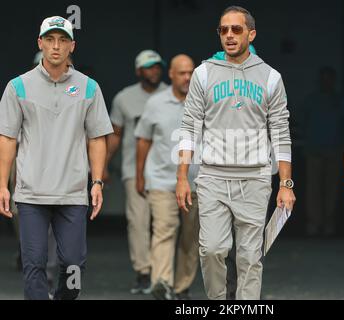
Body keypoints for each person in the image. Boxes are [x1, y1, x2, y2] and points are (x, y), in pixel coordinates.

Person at [176, 6, 295, 300]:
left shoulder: (270, 77)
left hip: (255, 178)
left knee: (250, 257)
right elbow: (189, 126)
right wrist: (182, 177)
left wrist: (286, 184)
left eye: (236, 30)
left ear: (251, 34)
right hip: (213, 176)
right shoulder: (203, 73)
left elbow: (280, 131)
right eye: (223, 30)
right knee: (212, 249)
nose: (229, 35)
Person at [0, 16, 113, 300]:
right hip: (31, 193)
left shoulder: (89, 87)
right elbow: (7, 139)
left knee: (75, 265)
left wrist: (97, 181)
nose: (55, 46)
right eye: (49, 40)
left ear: (72, 46)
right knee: (34, 264)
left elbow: (97, 137)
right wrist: (3, 184)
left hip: (73, 193)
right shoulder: (18, 87)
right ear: (40, 43)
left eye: (63, 40)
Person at [135, 54, 199, 300]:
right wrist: (140, 175)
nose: (187, 77)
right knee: (164, 230)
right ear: (170, 74)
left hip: (196, 182)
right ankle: (161, 283)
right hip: (162, 180)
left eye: (191, 72)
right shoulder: (155, 103)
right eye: (182, 73)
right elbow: (143, 140)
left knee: (190, 237)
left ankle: (181, 286)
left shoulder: (204, 102)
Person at [107, 50, 168, 294]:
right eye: (149, 67)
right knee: (138, 222)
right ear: (138, 70)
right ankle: (143, 272)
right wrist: (102, 166)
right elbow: (115, 134)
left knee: (165, 224)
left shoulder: (171, 94)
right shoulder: (125, 98)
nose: (155, 70)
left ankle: (162, 274)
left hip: (166, 170)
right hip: (134, 169)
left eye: (157, 67)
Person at [301, 67, 344, 236]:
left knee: (331, 189)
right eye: (324, 78)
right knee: (313, 188)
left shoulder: (339, 101)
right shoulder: (311, 100)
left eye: (329, 79)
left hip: (334, 149)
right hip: (314, 149)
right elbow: (301, 121)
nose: (326, 82)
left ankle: (329, 224)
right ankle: (313, 224)